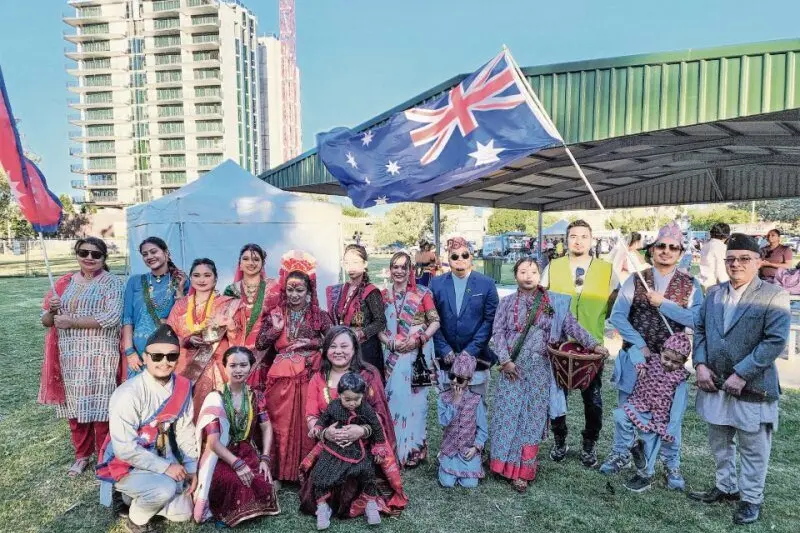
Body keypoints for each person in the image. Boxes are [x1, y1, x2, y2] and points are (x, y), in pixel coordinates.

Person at [689, 233, 790, 525]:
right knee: (720, 442)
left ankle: (751, 499)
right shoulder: (714, 293)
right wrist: (700, 364)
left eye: (744, 258)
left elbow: (774, 341)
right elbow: (700, 331)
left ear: (758, 261)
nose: (737, 264)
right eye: (731, 259)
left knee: (753, 447)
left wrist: (742, 374)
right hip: (714, 383)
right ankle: (725, 486)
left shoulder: (773, 295)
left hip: (753, 387)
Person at [489, 257, 607, 492]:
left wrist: (594, 345)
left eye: (533, 271)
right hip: (512, 368)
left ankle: (524, 470)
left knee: (532, 419)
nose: (528, 275)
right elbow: (498, 333)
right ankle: (503, 465)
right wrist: (505, 360)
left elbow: (572, 327)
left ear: (540, 274)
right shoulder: (506, 302)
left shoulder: (555, 302)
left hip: (541, 370)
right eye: (523, 271)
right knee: (508, 415)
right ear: (515, 275)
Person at [601, 221, 703, 485]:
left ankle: (672, 465)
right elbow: (618, 316)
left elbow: (696, 320)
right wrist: (639, 343)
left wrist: (665, 304)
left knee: (670, 417)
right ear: (652, 250)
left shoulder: (691, 284)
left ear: (680, 253)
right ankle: (621, 453)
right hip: (636, 358)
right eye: (661, 246)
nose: (666, 251)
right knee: (627, 409)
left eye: (673, 247)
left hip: (671, 365)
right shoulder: (636, 280)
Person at [97, 324, 198, 533]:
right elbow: (124, 450)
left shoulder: (183, 386)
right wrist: (166, 468)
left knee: (185, 511)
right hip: (125, 462)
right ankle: (136, 520)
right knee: (165, 488)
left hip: (161, 455)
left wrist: (191, 467)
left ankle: (132, 497)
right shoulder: (128, 394)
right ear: (145, 356)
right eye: (157, 356)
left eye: (171, 356)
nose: (164, 362)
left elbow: (185, 429)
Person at [300, 326, 407, 519]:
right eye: (333, 346)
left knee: (359, 475)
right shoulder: (318, 378)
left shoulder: (368, 375)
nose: (338, 351)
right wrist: (325, 434)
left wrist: (362, 430)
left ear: (354, 349)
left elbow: (379, 415)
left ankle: (368, 502)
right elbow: (311, 416)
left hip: (363, 446)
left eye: (344, 346)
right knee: (319, 485)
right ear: (325, 350)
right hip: (329, 447)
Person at [40, 237, 124, 477]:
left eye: (96, 254)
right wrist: (53, 311)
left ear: (104, 258)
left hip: (100, 355)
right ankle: (81, 455)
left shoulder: (112, 283)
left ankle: (103, 456)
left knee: (100, 408)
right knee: (75, 409)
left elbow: (111, 318)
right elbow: (46, 321)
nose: (89, 258)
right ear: (76, 254)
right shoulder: (64, 282)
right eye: (84, 252)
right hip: (69, 356)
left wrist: (72, 321)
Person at [254, 250, 332, 484]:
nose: (294, 294)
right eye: (290, 290)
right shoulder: (277, 313)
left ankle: (307, 469)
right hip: (281, 379)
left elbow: (334, 340)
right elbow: (260, 343)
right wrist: (275, 330)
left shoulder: (320, 315)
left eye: (300, 290)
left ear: (309, 293)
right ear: (284, 291)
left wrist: (312, 342)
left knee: (307, 422)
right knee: (281, 423)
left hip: (309, 375)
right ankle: (279, 471)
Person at [541, 220, 614, 467]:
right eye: (573, 236)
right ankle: (560, 440)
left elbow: (615, 302)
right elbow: (541, 301)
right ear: (566, 239)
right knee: (556, 398)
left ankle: (589, 444)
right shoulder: (553, 267)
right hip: (559, 345)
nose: (578, 241)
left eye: (584, 236)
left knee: (592, 400)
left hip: (592, 347)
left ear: (592, 239)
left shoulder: (607, 270)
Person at [193, 346, 280, 526]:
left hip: (246, 450)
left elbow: (266, 427)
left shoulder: (256, 396)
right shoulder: (215, 398)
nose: (238, 370)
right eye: (233, 365)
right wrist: (237, 464)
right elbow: (213, 442)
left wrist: (264, 458)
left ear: (250, 367)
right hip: (221, 454)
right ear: (224, 367)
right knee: (234, 480)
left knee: (261, 480)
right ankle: (224, 511)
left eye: (243, 365)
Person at [608, 332, 692, 493]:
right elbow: (632, 349)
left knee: (649, 445)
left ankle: (645, 475)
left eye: (676, 362)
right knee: (620, 416)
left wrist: (671, 429)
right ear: (661, 351)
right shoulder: (651, 360)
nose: (669, 363)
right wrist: (640, 363)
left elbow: (678, 408)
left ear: (684, 362)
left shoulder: (680, 379)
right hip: (638, 405)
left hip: (658, 417)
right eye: (666, 358)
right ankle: (632, 444)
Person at [378, 251, 440, 467]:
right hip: (393, 355)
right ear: (390, 269)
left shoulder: (423, 294)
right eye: (395, 266)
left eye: (403, 267)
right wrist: (389, 342)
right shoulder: (383, 296)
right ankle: (394, 449)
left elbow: (435, 322)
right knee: (393, 398)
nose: (399, 271)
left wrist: (419, 339)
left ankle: (414, 450)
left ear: (410, 270)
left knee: (417, 403)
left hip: (415, 355)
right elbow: (379, 327)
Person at [310, 372, 388, 530]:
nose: (352, 403)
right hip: (334, 448)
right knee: (321, 473)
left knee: (367, 471)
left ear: (362, 396)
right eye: (347, 399)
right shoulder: (333, 406)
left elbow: (376, 427)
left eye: (356, 399)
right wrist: (318, 428)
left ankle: (370, 504)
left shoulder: (365, 408)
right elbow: (324, 419)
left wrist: (379, 447)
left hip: (358, 448)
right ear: (339, 395)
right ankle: (323, 506)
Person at [167, 258, 238, 419]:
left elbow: (237, 338)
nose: (202, 280)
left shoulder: (226, 304)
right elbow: (170, 334)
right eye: (197, 275)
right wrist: (186, 340)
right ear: (190, 278)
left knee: (216, 415)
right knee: (187, 415)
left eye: (207, 275)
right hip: (186, 368)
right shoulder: (180, 305)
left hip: (218, 367)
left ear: (215, 279)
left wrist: (231, 325)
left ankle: (215, 443)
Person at [430, 236, 499, 397]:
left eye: (464, 255)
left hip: (477, 357)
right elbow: (431, 319)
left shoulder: (487, 283)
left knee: (477, 409)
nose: (460, 259)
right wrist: (444, 348)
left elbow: (490, 321)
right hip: (445, 358)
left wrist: (470, 351)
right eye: (454, 256)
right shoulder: (436, 284)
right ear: (448, 259)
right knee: (448, 408)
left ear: (471, 257)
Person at [122, 237, 187, 378]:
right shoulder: (135, 281)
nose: (149, 257)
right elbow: (127, 318)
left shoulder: (181, 281)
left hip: (168, 354)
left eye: (153, 252)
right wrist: (129, 351)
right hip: (138, 357)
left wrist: (180, 292)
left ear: (166, 253)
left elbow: (185, 319)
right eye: (145, 254)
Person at [223, 244, 280, 390]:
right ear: (240, 264)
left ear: (262, 264)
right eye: (246, 259)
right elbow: (227, 320)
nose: (251, 263)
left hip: (266, 351)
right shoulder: (231, 290)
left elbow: (279, 315)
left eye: (256, 259)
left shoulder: (273, 287)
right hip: (238, 349)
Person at [327, 244, 388, 379]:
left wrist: (361, 333)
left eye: (355, 262)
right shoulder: (342, 290)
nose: (351, 267)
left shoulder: (371, 291)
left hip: (366, 350)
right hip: (344, 349)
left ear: (365, 264)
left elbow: (380, 322)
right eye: (347, 262)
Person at [437, 353, 488, 488]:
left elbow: (482, 429)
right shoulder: (443, 398)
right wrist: (455, 402)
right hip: (450, 450)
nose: (454, 381)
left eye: (460, 380)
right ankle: (444, 463)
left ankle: (470, 465)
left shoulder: (476, 400)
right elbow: (443, 422)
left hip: (467, 450)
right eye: (452, 377)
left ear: (469, 381)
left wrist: (475, 447)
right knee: (447, 483)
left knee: (470, 484)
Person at [698, 223, 731, 291]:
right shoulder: (721, 247)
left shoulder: (706, 245)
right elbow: (721, 270)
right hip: (715, 285)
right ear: (727, 235)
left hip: (703, 283)